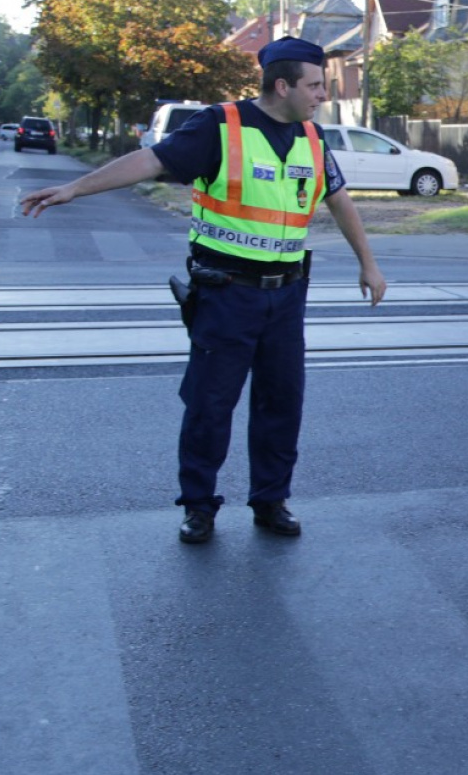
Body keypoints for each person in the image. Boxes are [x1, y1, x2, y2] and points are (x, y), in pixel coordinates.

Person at [20, 36, 387, 544]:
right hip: (226, 294)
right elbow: (150, 161)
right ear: (282, 86)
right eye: (316, 85)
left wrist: (368, 263)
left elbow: (339, 199)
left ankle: (271, 500)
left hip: (286, 295)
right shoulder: (220, 126)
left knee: (282, 403)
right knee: (210, 406)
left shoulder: (312, 136)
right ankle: (199, 506)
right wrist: (75, 188)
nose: (323, 94)